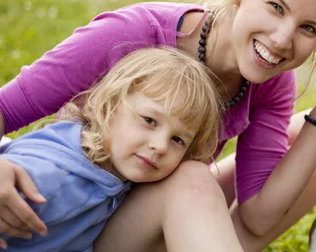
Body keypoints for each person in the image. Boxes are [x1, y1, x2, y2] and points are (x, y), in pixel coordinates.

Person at [0, 0, 316, 251]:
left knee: (312, 142)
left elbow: (257, 217)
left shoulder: (273, 81)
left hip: (135, 216)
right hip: (75, 207)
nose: (283, 40)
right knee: (192, 176)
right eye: (275, 7)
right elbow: (6, 108)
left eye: (309, 29)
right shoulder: (133, 32)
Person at [0, 47, 224, 251]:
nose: (160, 146)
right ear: (110, 106)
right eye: (149, 120)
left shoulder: (113, 170)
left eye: (177, 139)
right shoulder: (57, 179)